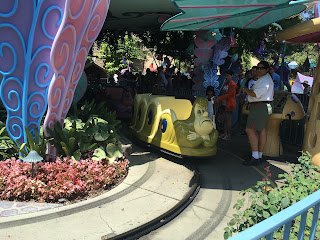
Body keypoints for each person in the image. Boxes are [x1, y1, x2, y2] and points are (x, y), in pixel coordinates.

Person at [242, 61, 274, 166]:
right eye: (258, 68)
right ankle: (258, 155)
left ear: (267, 69)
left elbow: (255, 94)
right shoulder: (264, 79)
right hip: (262, 106)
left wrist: (246, 90)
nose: (259, 70)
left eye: (261, 68)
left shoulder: (264, 80)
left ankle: (255, 156)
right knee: (261, 130)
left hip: (259, 107)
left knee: (249, 129)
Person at [214, 69, 237, 140]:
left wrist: (219, 98)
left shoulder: (232, 85)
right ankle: (225, 133)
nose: (226, 77)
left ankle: (228, 134)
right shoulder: (225, 84)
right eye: (225, 76)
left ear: (231, 76)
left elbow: (229, 95)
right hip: (224, 103)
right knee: (224, 119)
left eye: (228, 75)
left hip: (229, 104)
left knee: (228, 120)